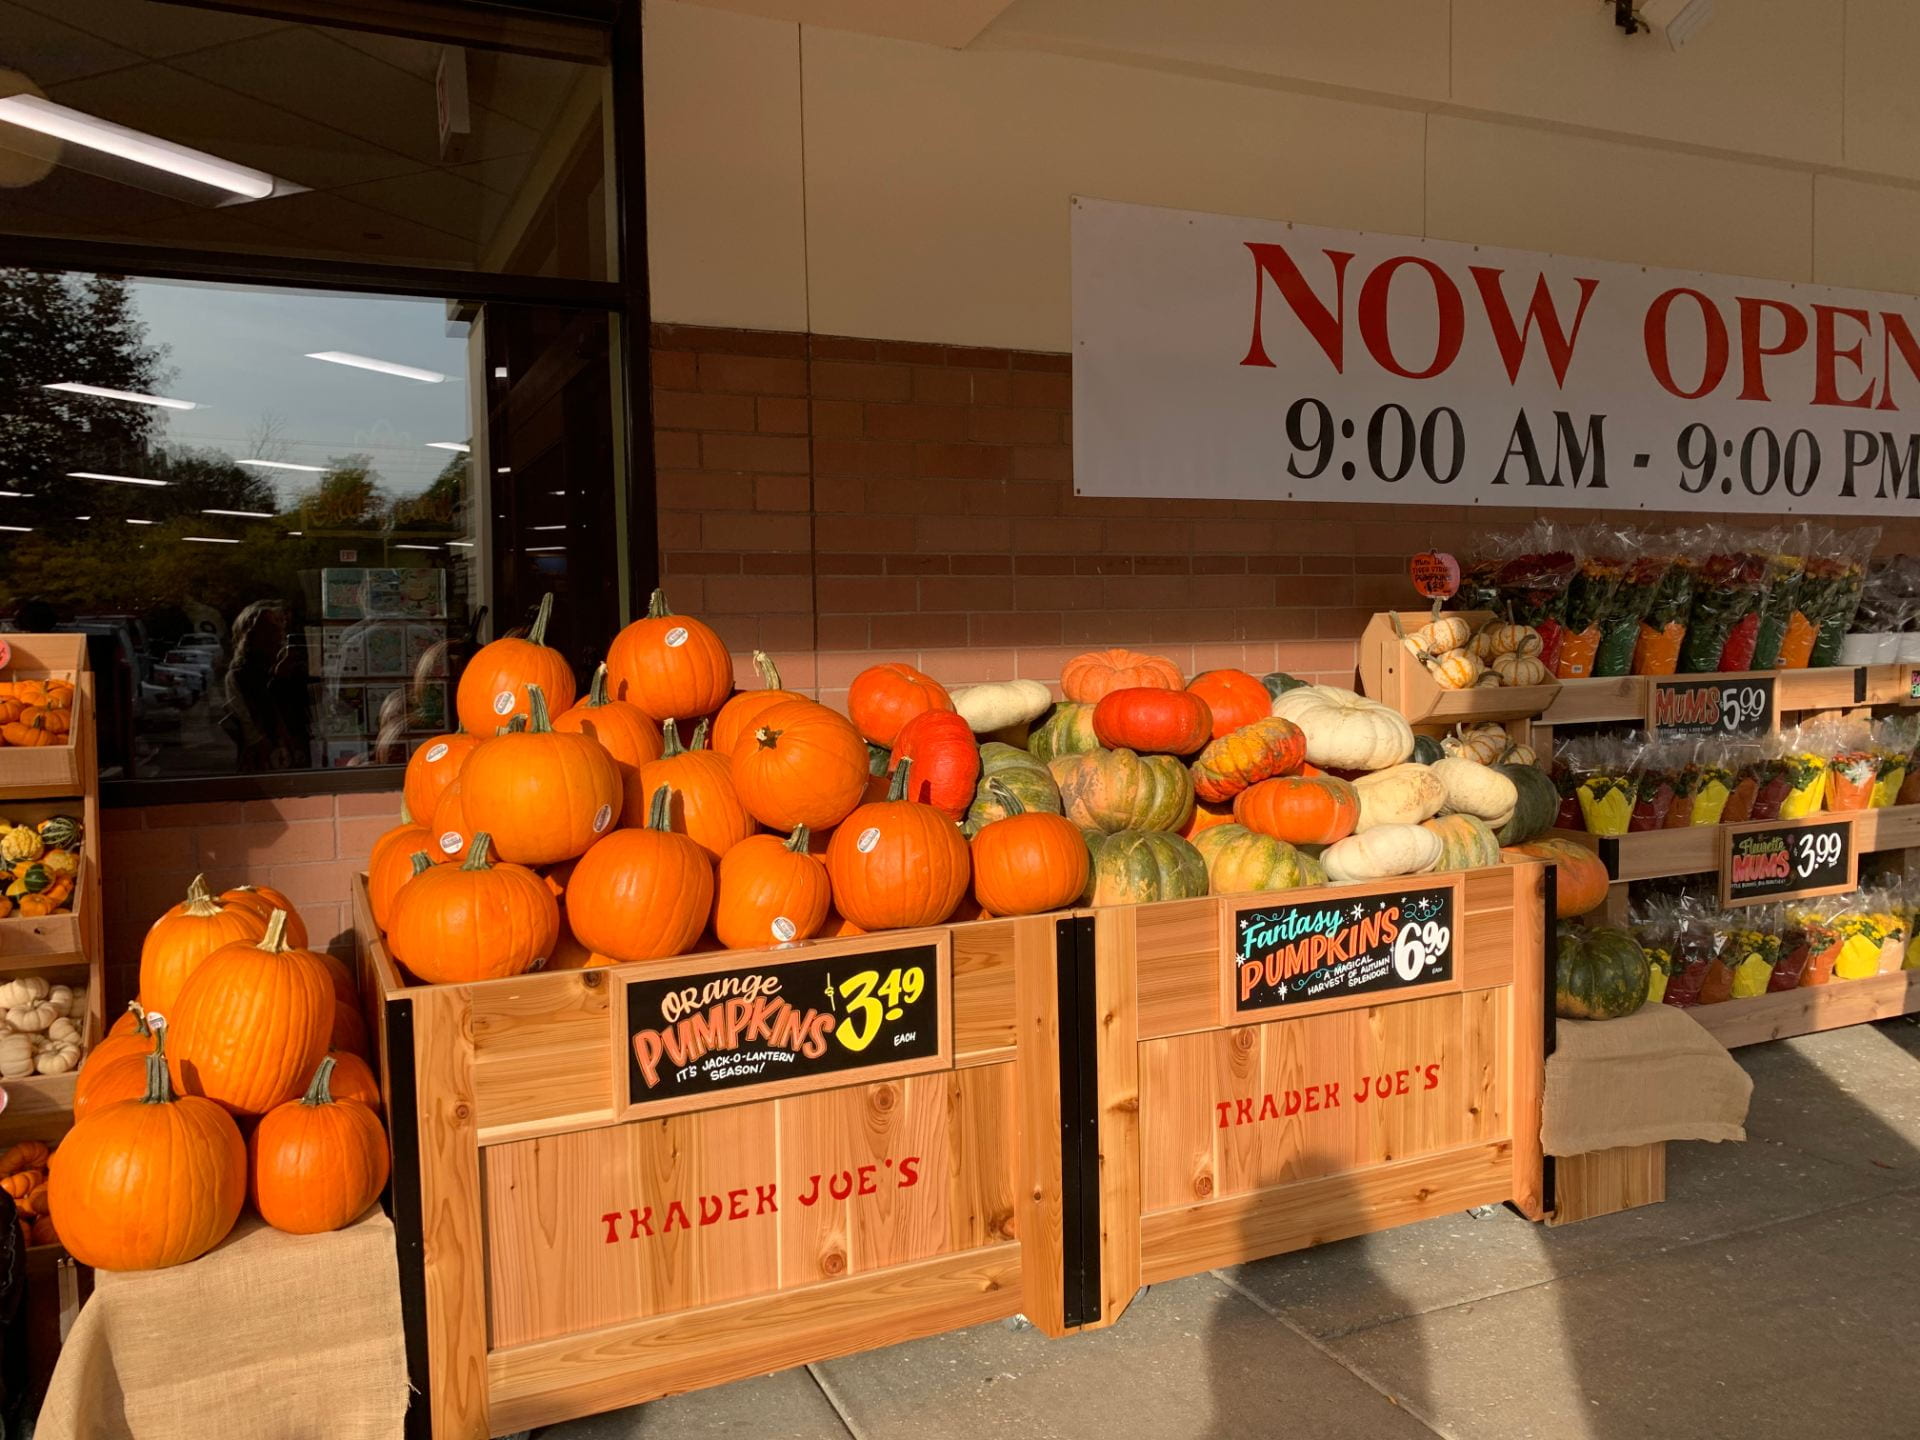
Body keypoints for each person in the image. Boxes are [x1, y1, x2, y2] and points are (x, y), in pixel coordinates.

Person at [222, 601, 307, 771]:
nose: (277, 634)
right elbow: (254, 731)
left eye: (279, 627)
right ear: (250, 635)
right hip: (269, 763)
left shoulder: (289, 666)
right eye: (268, 629)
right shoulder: (241, 675)